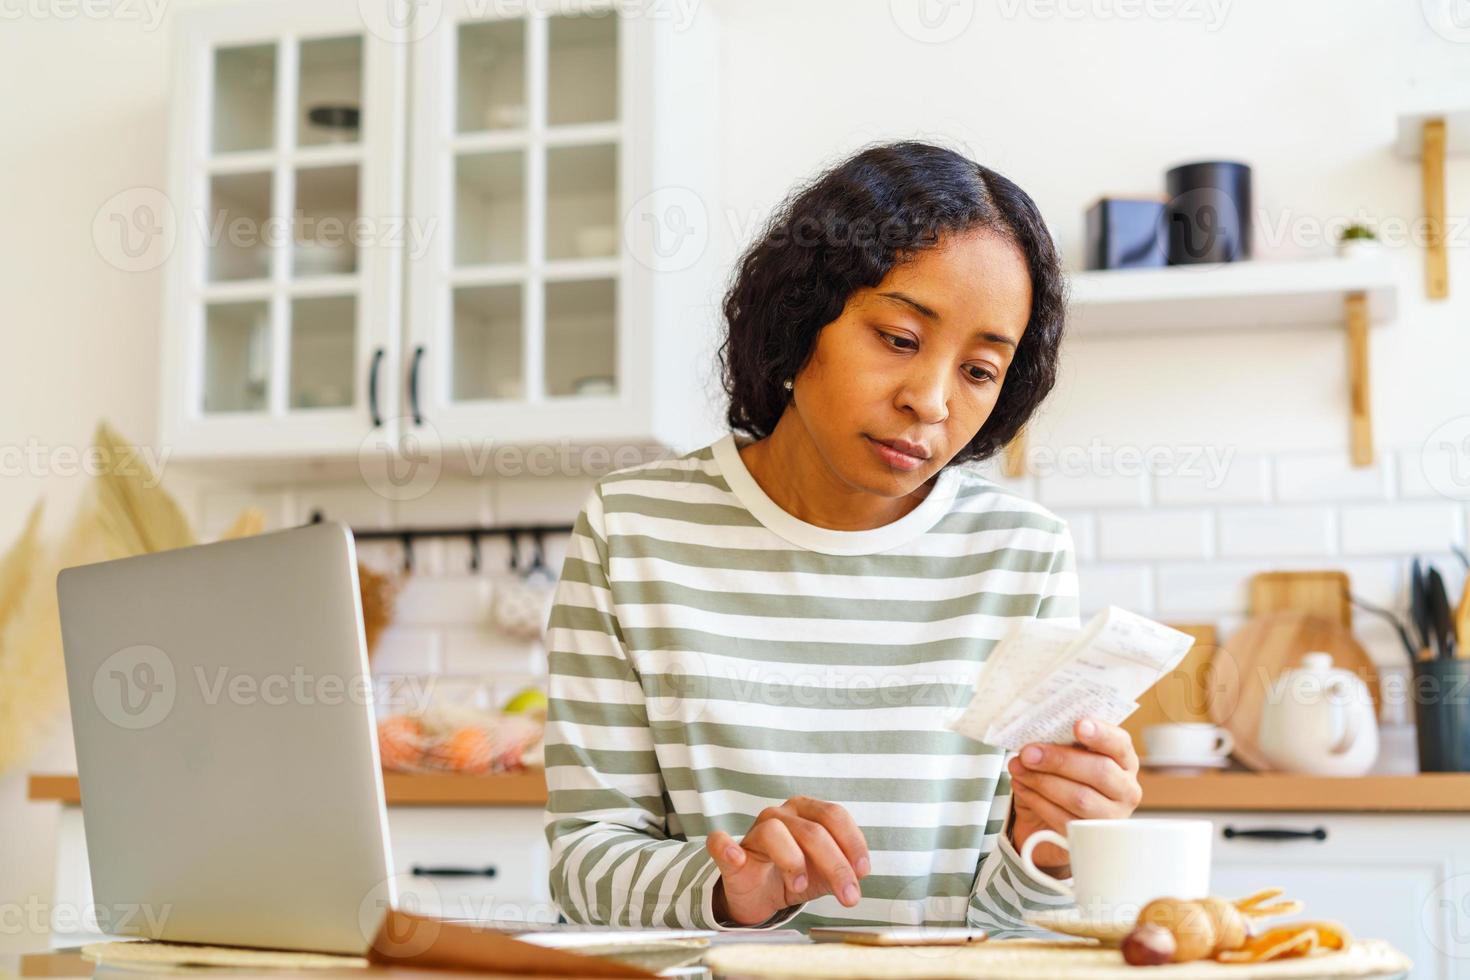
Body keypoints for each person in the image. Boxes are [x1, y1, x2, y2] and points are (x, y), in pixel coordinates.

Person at [542, 140, 1142, 932]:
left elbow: (1003, 928)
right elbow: (584, 860)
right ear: (802, 319)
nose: (930, 402)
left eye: (979, 371)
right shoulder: (634, 528)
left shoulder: (1020, 557)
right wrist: (726, 890)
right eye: (899, 339)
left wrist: (1053, 848)